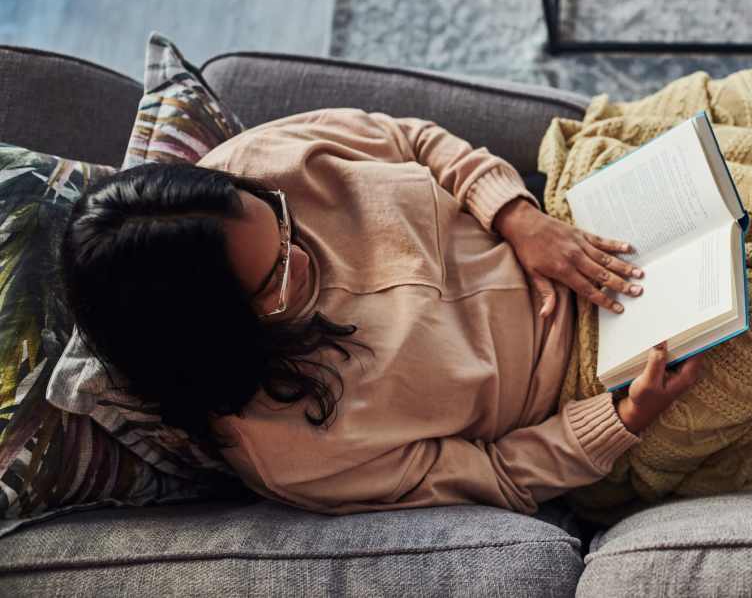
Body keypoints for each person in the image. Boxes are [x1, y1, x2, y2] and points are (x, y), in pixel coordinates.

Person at [59, 108, 703, 516]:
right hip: (592, 381)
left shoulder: (255, 164)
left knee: (746, 129)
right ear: (215, 337)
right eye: (276, 277)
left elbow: (411, 140)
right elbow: (494, 475)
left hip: (568, 213)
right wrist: (620, 419)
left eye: (283, 224)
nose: (301, 258)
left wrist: (520, 217)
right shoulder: (291, 451)